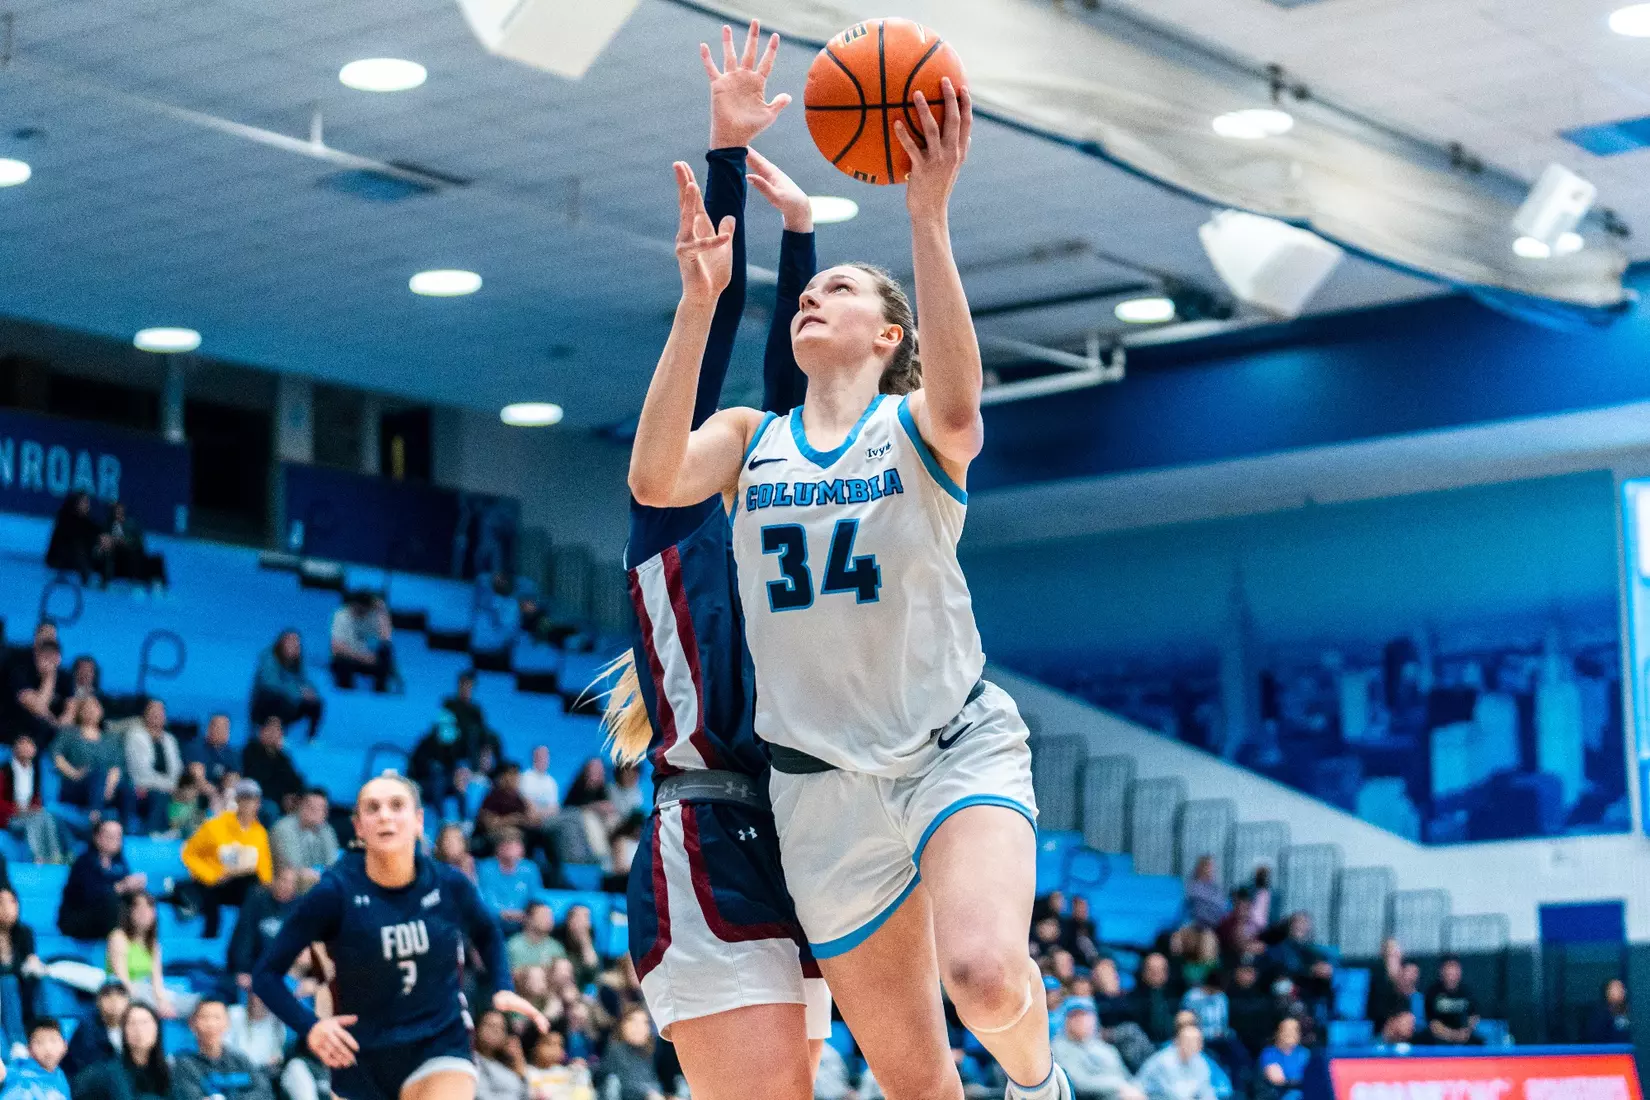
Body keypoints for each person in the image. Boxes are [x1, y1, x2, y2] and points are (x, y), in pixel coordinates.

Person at [628, 44, 1062, 1098]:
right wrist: (698, 302)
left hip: (948, 749)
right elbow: (652, 475)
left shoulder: (913, 431)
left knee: (986, 973)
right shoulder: (751, 438)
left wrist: (927, 215)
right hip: (818, 794)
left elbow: (961, 408)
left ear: (889, 331)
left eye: (835, 289)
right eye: (806, 290)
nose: (813, 297)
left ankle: (1042, 1080)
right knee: (915, 1079)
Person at [598, 21, 835, 1100]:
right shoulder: (674, 518)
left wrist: (806, 235)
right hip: (706, 831)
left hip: (800, 831)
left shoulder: (787, 519)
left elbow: (798, 395)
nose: (754, 429)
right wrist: (727, 152)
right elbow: (719, 306)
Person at [252, 773, 548, 1100]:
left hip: (439, 1039)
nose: (385, 815)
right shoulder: (334, 892)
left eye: (397, 805)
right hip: (361, 1053)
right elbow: (265, 975)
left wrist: (502, 985)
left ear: (419, 821)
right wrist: (309, 1027)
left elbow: (488, 932)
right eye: (373, 808)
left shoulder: (449, 883)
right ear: (359, 827)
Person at [181, 779, 273, 938]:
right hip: (214, 882)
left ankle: (248, 938)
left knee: (254, 888)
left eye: (254, 800)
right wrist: (211, 875)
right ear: (238, 800)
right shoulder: (215, 826)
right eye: (246, 799)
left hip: (240, 886)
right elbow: (189, 853)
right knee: (210, 895)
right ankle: (210, 938)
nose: (250, 805)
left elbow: (264, 867)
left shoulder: (259, 833)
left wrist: (266, 889)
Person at [53, 694, 136, 828]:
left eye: (95, 706)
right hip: (76, 784)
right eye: (87, 707)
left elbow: (116, 766)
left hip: (103, 787)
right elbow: (57, 757)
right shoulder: (69, 733)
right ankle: (95, 818)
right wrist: (74, 774)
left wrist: (108, 786)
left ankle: (124, 830)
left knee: (127, 787)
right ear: (80, 712)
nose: (91, 710)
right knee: (98, 772)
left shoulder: (110, 738)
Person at [60, 819, 147, 941]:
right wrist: (120, 887)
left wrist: (135, 886)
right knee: (112, 905)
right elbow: (88, 897)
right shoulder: (83, 863)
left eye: (118, 836)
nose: (115, 840)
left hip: (106, 919)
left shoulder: (119, 864)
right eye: (110, 836)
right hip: (80, 918)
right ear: (97, 837)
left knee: (143, 901)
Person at [174, 999, 273, 1100]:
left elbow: (265, 1093)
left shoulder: (240, 1060)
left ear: (227, 1023)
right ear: (192, 1024)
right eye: (204, 1017)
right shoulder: (184, 1064)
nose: (211, 1024)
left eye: (217, 1018)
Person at [70, 1001, 171, 1100]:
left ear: (157, 1028)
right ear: (124, 1032)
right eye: (132, 1023)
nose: (139, 1030)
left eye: (145, 1023)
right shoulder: (112, 1072)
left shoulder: (168, 1072)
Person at [1053, 999, 1145, 1100]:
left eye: (1086, 1016)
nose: (1082, 1021)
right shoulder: (1059, 1048)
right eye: (1075, 1016)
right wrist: (1119, 1086)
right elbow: (1079, 1083)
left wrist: (1136, 1088)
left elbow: (1126, 1075)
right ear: (1066, 1021)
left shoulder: (1104, 1047)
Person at [229, 866, 300, 991]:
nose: (287, 886)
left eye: (291, 883)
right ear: (274, 881)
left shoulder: (299, 906)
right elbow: (244, 937)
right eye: (283, 880)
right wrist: (242, 969)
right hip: (257, 967)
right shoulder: (256, 900)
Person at [0, 734, 66, 863]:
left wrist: (34, 808)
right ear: (14, 748)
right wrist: (16, 809)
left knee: (46, 816)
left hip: (28, 812)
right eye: (22, 744)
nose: (26, 748)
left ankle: (54, 856)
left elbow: (36, 798)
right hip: (9, 816)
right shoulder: (4, 771)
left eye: (29, 745)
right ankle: (37, 857)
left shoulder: (35, 771)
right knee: (32, 822)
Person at [106, 893, 175, 1017]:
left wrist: (162, 1000)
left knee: (184, 1003)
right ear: (129, 912)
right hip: (122, 992)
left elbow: (157, 980)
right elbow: (122, 980)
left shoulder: (153, 944)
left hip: (144, 989)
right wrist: (147, 1003)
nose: (144, 912)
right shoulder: (118, 937)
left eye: (149, 907)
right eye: (138, 908)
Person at [124, 700, 182, 836]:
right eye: (153, 710)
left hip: (170, 787)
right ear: (145, 714)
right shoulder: (135, 736)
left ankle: (179, 833)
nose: (157, 714)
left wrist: (176, 787)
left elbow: (177, 769)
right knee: (160, 795)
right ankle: (153, 833)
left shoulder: (170, 740)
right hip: (142, 786)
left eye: (161, 711)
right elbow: (140, 772)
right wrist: (169, 786)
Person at [251, 631, 323, 741]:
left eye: (297, 643)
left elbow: (305, 682)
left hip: (289, 699)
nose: (294, 646)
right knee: (278, 698)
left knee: (315, 703)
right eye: (290, 642)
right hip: (265, 702)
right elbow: (271, 684)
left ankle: (311, 739)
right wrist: (299, 693)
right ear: (281, 642)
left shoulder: (297, 663)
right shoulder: (268, 658)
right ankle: (272, 734)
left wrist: (311, 693)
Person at [269, 788, 340, 890]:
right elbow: (294, 866)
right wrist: (323, 875)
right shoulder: (283, 828)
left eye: (320, 808)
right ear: (300, 805)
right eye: (310, 806)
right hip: (283, 885)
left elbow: (333, 864)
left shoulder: (326, 829)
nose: (315, 812)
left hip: (317, 881)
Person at [475, 828, 542, 932]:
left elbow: (535, 896)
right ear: (498, 848)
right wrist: (502, 913)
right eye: (506, 845)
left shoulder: (530, 868)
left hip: (523, 919)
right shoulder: (485, 868)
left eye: (515, 845)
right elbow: (483, 896)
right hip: (494, 920)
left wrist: (525, 913)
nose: (511, 849)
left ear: (521, 848)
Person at [0, 887, 44, 1045]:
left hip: (21, 989)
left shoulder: (24, 932)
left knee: (33, 981)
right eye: (1, 903)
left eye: (12, 902)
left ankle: (34, 1036)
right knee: (7, 982)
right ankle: (17, 1042)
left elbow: (30, 962)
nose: (6, 908)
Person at [241, 717, 305, 823]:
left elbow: (295, 781)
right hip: (256, 798)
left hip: (279, 800)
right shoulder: (251, 751)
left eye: (277, 731)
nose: (273, 735)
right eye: (270, 730)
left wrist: (294, 796)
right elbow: (255, 780)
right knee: (271, 809)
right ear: (261, 732)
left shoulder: (283, 758)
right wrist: (282, 797)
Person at [330, 593, 396, 693]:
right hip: (349, 657)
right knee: (341, 660)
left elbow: (386, 638)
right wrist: (363, 657)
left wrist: (382, 611)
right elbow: (336, 648)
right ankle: (346, 693)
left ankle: (380, 692)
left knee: (386, 651)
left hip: (369, 659)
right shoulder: (341, 615)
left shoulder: (373, 615)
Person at [7, 632, 63, 750]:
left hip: (50, 734)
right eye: (46, 656)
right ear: (37, 656)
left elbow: (71, 709)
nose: (50, 661)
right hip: (18, 728)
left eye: (53, 656)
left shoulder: (65, 677)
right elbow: (37, 708)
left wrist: (58, 724)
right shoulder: (21, 671)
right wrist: (50, 676)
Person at [597, 1006, 666, 1100]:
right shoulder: (616, 1050)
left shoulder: (647, 1052)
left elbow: (652, 1081)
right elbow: (625, 1084)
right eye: (634, 1022)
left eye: (645, 1023)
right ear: (623, 1025)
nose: (640, 1028)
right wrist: (648, 1094)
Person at [64, 981, 131, 1078]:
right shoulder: (86, 1030)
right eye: (107, 995)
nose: (114, 999)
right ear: (98, 1002)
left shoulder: (134, 1027)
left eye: (120, 994)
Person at [94, 503, 166, 591]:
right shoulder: (106, 528)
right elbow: (99, 549)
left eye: (121, 511)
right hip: (117, 559)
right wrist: (113, 543)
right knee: (130, 557)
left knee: (155, 559)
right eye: (117, 511)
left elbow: (140, 544)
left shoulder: (131, 526)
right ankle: (137, 583)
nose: (120, 514)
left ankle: (156, 583)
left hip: (133, 553)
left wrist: (127, 542)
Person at [1135, 1024, 1216, 1100]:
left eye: (1197, 1041)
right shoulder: (1165, 1061)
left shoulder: (1199, 1061)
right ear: (1177, 1041)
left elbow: (1207, 1092)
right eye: (1189, 1041)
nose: (1194, 1044)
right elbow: (1177, 1095)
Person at [443, 671, 501, 770]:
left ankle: (496, 770)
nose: (467, 689)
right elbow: (446, 728)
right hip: (456, 741)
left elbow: (483, 729)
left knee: (494, 737)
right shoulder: (449, 704)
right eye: (465, 685)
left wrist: (487, 746)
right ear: (459, 686)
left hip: (474, 740)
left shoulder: (476, 709)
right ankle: (474, 768)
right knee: (472, 733)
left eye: (470, 687)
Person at [2, 1019, 71, 1100]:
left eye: (53, 1040)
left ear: (65, 1045)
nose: (47, 1048)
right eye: (39, 1042)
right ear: (29, 1049)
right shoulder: (22, 1082)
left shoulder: (59, 1073)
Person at [472, 1010, 528, 1100]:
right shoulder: (473, 1060)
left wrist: (520, 1068)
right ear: (477, 1029)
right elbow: (480, 1096)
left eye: (501, 1028)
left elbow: (526, 1096)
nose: (495, 1031)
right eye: (490, 1025)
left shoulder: (508, 1065)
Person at [1424, 956, 1480, 1046]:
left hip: (1464, 1036)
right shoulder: (1432, 992)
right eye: (1448, 969)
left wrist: (1466, 1032)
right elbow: (1433, 1024)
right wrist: (1452, 1035)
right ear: (1441, 971)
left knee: (1479, 1042)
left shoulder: (1466, 992)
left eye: (1455, 969)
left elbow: (1474, 1017)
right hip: (1440, 1037)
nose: (1451, 973)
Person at [46, 492, 100, 582]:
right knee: (77, 548)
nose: (87, 505)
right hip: (60, 557)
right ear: (76, 503)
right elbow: (70, 539)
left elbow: (96, 532)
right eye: (84, 502)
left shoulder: (89, 521)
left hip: (80, 557)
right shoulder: (65, 519)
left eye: (88, 503)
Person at [506, 902, 566, 973]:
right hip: (522, 982)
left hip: (550, 982)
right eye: (543, 916)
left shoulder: (556, 946)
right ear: (529, 919)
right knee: (535, 974)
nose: (549, 920)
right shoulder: (513, 945)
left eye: (550, 916)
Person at [1257, 1018, 1308, 1100]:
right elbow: (1277, 1080)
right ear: (1278, 1033)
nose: (1290, 1034)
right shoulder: (1269, 1053)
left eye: (1294, 1030)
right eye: (1286, 1030)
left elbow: (1313, 1077)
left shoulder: (1305, 1053)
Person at [186, 714, 239, 787]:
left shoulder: (231, 753)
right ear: (209, 728)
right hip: (198, 791)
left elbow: (235, 775)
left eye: (225, 728)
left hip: (222, 793)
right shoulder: (196, 747)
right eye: (218, 727)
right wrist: (213, 793)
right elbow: (197, 777)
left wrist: (228, 789)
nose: (222, 731)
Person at [1583, 978, 1630, 1044]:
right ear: (1607, 991)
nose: (1621, 991)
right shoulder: (1599, 1015)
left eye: (1622, 988)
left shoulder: (1631, 1012)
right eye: (1616, 988)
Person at [1184, 858, 1226, 930]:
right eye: (1209, 867)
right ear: (1200, 868)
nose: (1212, 870)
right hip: (1200, 924)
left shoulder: (1215, 887)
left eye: (1212, 867)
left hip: (1218, 922)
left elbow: (1222, 904)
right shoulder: (1193, 885)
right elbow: (1193, 899)